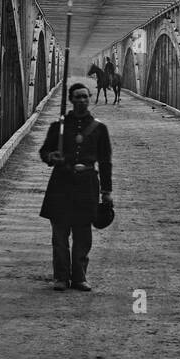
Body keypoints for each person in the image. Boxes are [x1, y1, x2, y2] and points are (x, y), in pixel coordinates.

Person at [39, 83, 112, 292]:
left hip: (87, 185)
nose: (81, 100)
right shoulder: (59, 127)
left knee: (83, 235)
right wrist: (51, 157)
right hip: (61, 183)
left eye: (84, 97)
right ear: (71, 100)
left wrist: (107, 192)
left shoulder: (99, 129)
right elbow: (44, 152)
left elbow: (105, 162)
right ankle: (61, 277)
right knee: (59, 235)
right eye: (77, 97)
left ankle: (79, 277)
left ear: (89, 99)